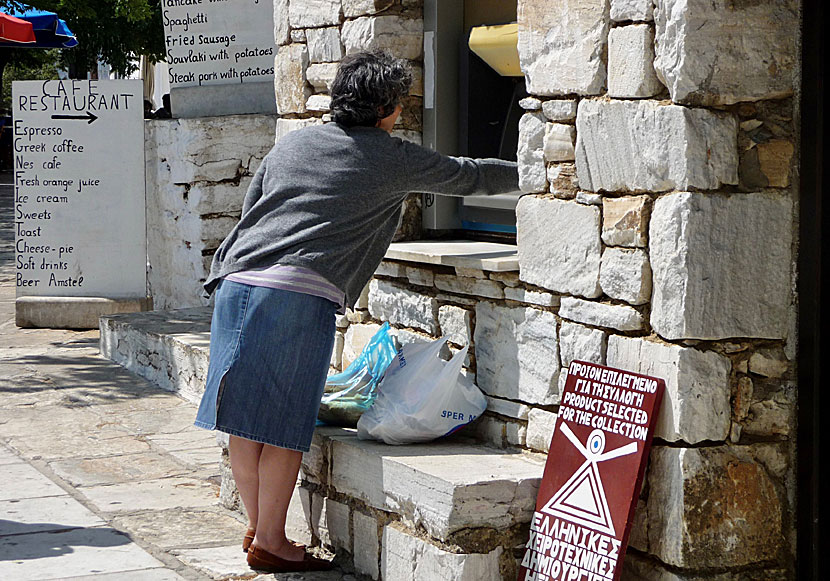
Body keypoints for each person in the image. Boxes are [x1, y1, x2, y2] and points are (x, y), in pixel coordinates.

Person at [194, 49, 519, 574]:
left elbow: (252, 211)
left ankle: (258, 527)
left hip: (237, 284)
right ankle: (273, 542)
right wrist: (535, 168)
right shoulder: (391, 155)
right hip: (295, 296)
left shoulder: (293, 143)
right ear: (387, 108)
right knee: (282, 424)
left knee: (244, 419)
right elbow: (468, 177)